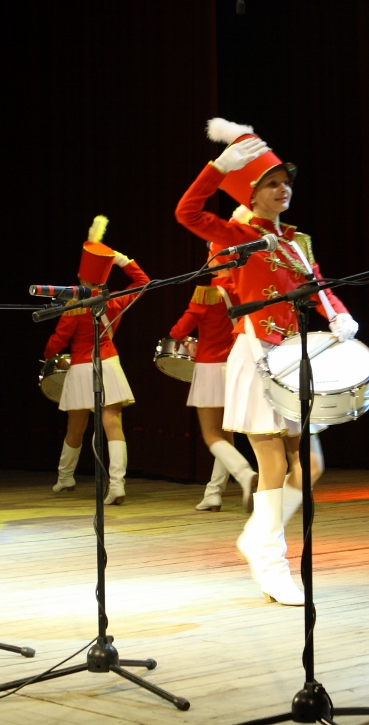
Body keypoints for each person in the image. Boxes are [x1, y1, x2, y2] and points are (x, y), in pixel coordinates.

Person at [175, 118, 359, 606]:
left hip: (294, 355)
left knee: (310, 464)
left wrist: (339, 315)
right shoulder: (235, 236)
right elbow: (187, 211)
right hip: (257, 352)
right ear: (252, 195)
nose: (284, 189)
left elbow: (319, 286)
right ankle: (273, 564)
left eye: (286, 182)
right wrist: (218, 168)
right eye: (272, 183)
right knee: (273, 459)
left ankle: (257, 536)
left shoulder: (298, 241)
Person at [44, 216, 148, 505]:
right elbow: (143, 282)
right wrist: (121, 259)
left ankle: (65, 477)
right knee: (113, 422)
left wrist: (48, 354)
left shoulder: (73, 306)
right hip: (109, 363)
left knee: (76, 425)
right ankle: (117, 485)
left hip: (80, 367)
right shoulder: (115, 300)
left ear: (81, 279)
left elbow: (58, 341)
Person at [165, 260, 256, 512]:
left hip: (209, 368)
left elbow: (179, 330)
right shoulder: (243, 290)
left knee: (212, 434)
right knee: (227, 436)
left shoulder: (206, 295)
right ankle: (213, 493)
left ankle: (245, 473)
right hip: (235, 366)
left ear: (216, 265)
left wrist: (185, 340)